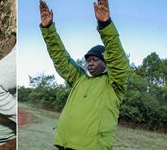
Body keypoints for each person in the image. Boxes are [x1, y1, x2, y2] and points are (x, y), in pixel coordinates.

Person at [39, 0, 129, 149]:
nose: (90, 63)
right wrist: (48, 29)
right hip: (64, 143)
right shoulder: (79, 78)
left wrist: (105, 25)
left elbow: (116, 57)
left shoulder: (114, 84)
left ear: (106, 62)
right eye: (88, 60)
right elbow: (60, 57)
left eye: (95, 59)